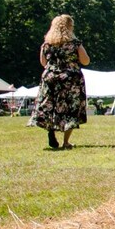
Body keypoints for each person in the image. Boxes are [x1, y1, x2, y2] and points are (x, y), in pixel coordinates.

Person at [31, 14, 90, 150]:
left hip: (50, 77)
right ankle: (66, 141)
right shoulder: (75, 43)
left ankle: (50, 130)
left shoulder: (46, 44)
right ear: (69, 27)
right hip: (70, 78)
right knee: (71, 108)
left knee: (50, 106)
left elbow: (43, 62)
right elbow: (85, 60)